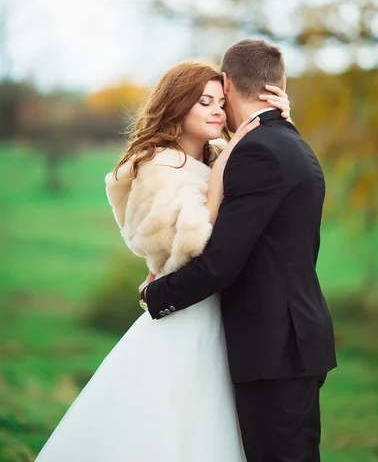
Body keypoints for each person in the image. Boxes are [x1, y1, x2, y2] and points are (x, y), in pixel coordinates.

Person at [34, 57, 291, 462]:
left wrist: (277, 122)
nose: (217, 111)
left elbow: (266, 169)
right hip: (187, 318)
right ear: (178, 105)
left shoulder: (217, 155)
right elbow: (188, 245)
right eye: (203, 102)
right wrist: (222, 174)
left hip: (228, 316)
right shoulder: (157, 165)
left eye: (220, 102)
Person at [142, 39, 337, 462]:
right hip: (297, 343)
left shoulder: (256, 151)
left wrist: (153, 295)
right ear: (278, 87)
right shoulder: (291, 142)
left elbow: (219, 265)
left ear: (227, 83)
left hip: (273, 350)